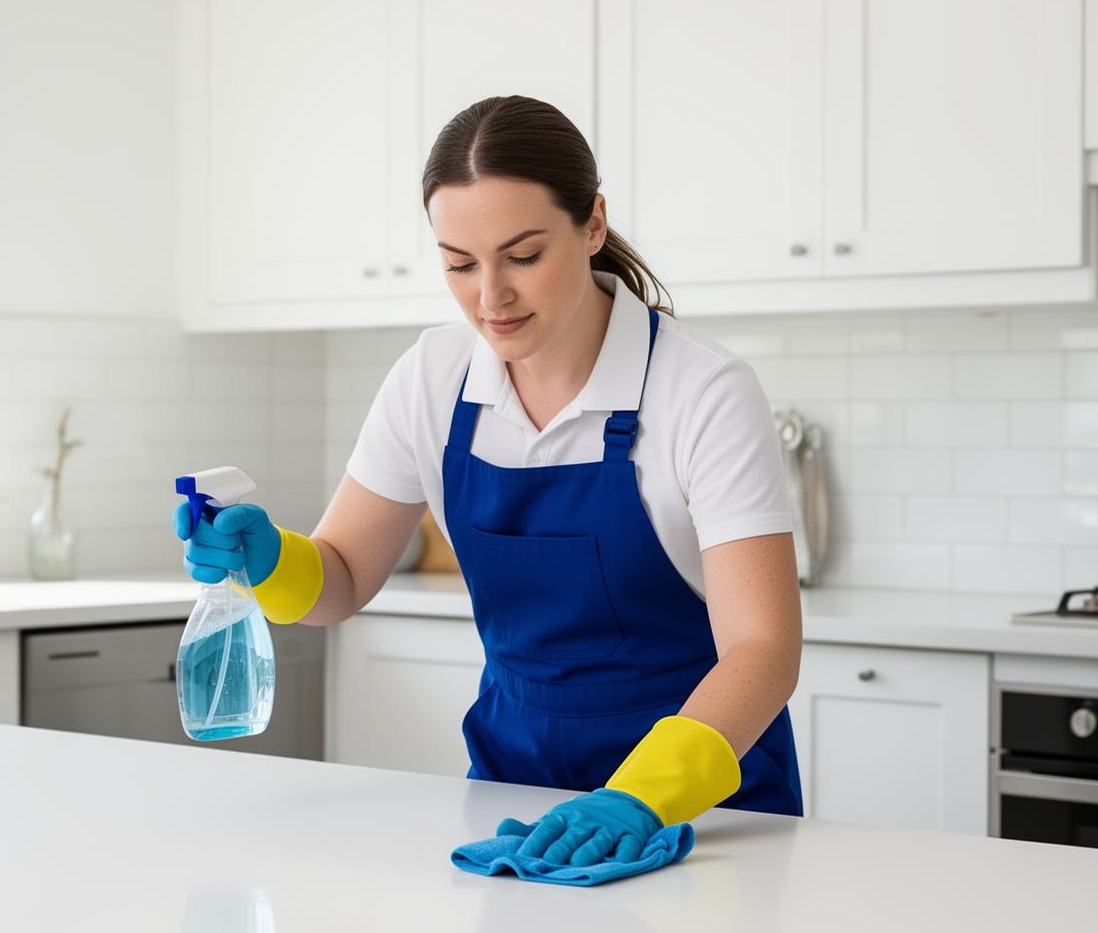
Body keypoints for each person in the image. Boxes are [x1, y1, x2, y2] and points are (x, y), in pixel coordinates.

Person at [175, 95, 804, 868]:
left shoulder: (701, 390)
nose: (490, 296)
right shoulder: (432, 378)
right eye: (460, 264)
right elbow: (341, 576)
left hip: (703, 818)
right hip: (514, 796)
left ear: (593, 225)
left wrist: (641, 797)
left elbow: (762, 648)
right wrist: (270, 559)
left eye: (524, 256)